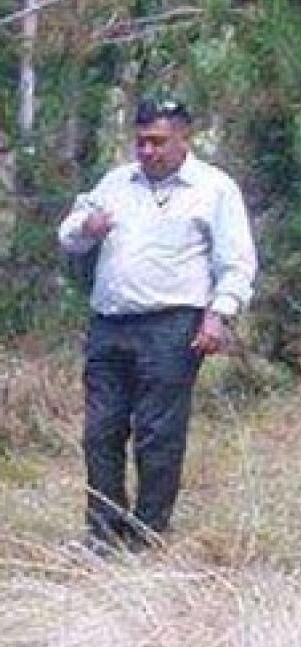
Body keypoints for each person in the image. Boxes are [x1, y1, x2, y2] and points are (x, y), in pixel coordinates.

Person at [58, 99, 258, 549]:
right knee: (100, 431)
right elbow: (69, 235)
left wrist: (219, 314)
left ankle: (148, 532)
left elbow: (237, 260)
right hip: (110, 323)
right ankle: (103, 530)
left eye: (158, 142)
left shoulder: (214, 188)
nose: (148, 151)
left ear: (184, 138)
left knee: (157, 432)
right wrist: (87, 226)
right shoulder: (116, 182)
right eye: (141, 142)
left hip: (173, 326)